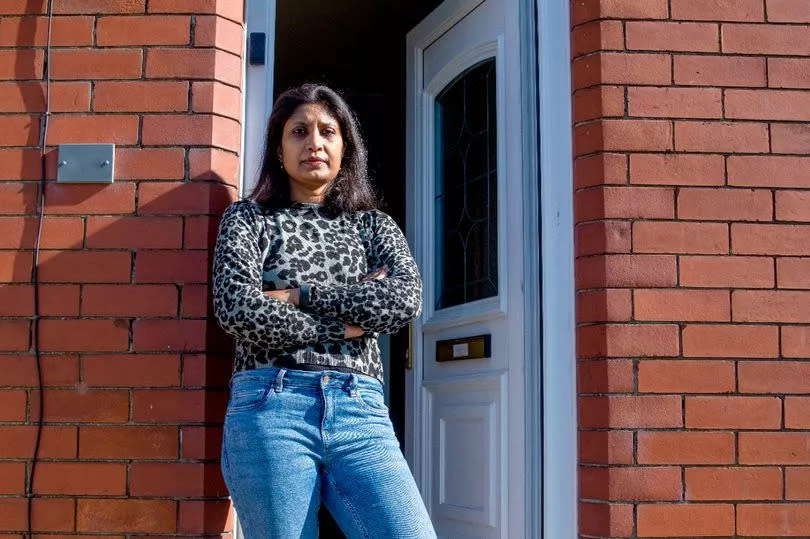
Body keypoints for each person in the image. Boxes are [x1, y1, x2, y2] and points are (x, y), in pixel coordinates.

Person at [212, 83, 437, 538]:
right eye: (299, 131)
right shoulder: (248, 219)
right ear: (279, 148)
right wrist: (352, 320)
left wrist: (299, 295)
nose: (314, 143)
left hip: (360, 408)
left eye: (327, 131)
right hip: (271, 403)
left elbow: (403, 300)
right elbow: (237, 308)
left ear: (344, 146)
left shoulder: (372, 225)